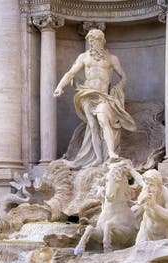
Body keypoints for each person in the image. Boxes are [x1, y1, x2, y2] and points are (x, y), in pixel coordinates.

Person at [53, 29, 136, 169]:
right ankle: (98, 158)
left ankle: (111, 153)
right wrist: (60, 87)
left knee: (103, 120)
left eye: (94, 40)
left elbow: (123, 76)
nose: (91, 43)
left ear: (101, 40)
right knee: (93, 126)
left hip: (103, 95)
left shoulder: (111, 58)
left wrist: (118, 88)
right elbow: (71, 73)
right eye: (90, 41)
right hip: (87, 94)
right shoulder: (84, 57)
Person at [135, 169, 168, 243]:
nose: (148, 188)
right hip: (146, 230)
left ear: (159, 186)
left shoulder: (166, 194)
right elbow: (138, 178)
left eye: (151, 185)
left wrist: (154, 206)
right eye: (146, 184)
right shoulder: (145, 189)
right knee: (139, 251)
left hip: (164, 232)